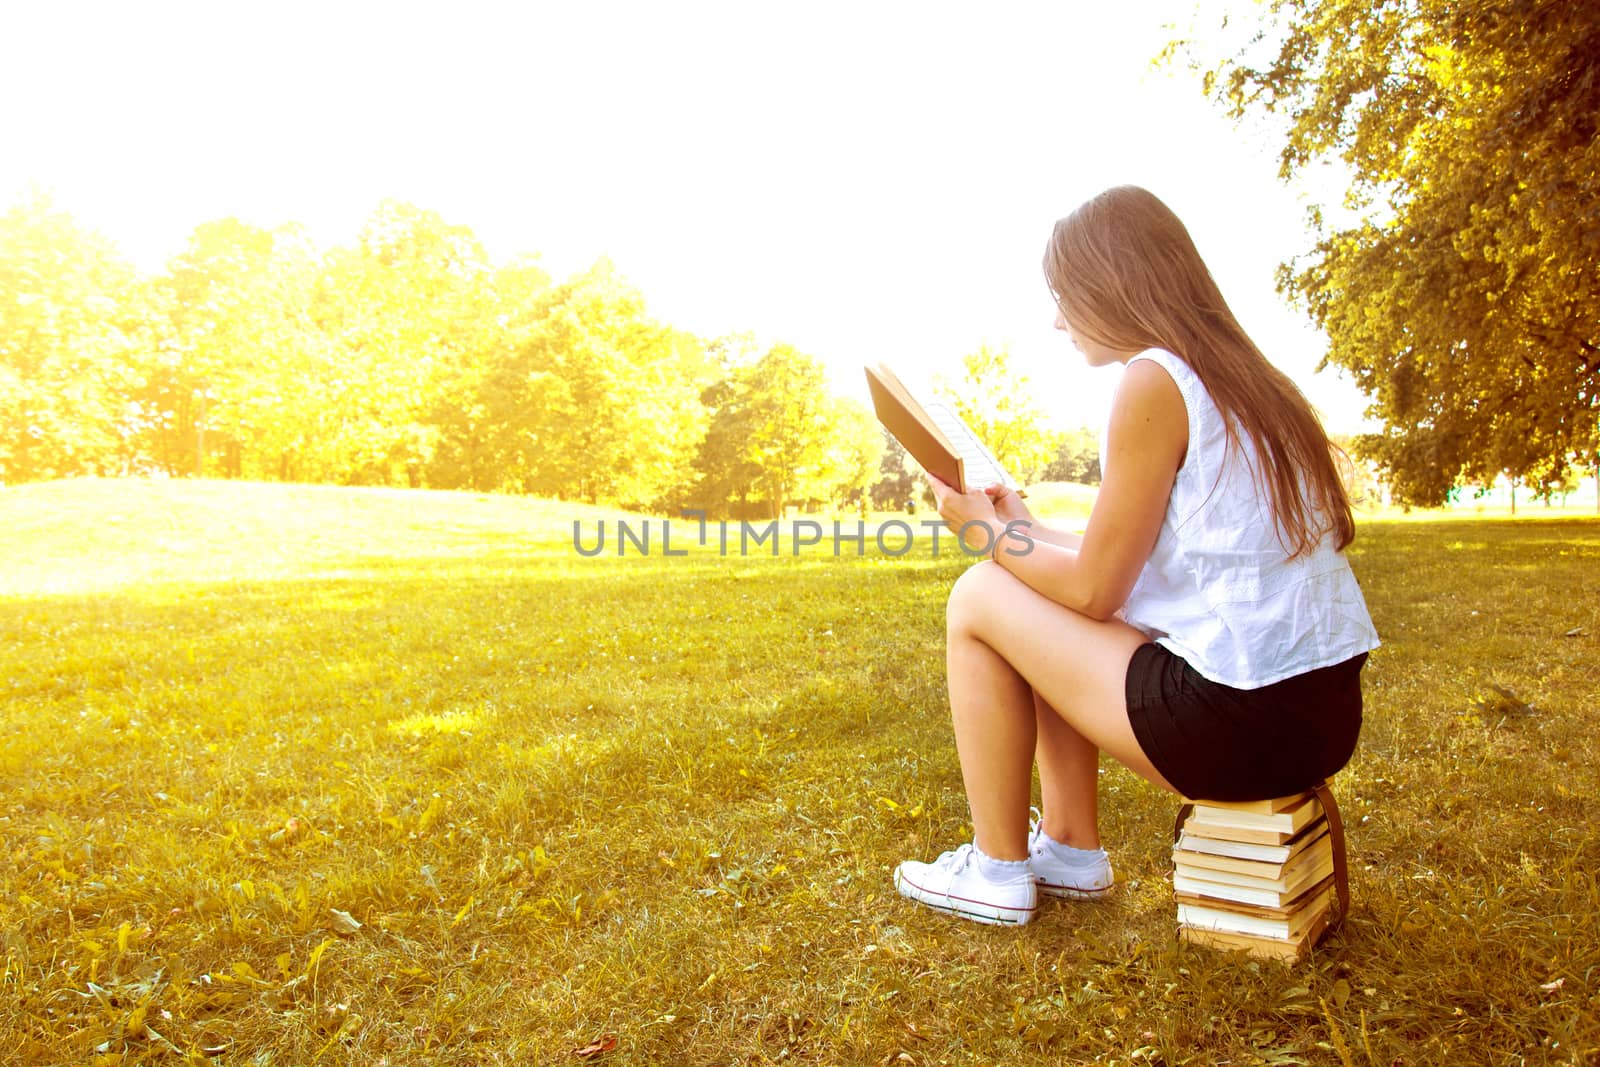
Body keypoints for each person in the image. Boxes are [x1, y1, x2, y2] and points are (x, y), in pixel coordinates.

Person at [893, 185, 1381, 926]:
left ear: (1110, 282)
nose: (1057, 318)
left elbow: (1093, 589)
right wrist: (1017, 521)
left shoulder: (1152, 379)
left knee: (978, 595)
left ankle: (996, 871)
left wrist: (986, 536)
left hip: (1242, 724)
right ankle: (1068, 848)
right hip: (1318, 712)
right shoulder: (1247, 381)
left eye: (1064, 295)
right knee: (1022, 592)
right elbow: (1113, 557)